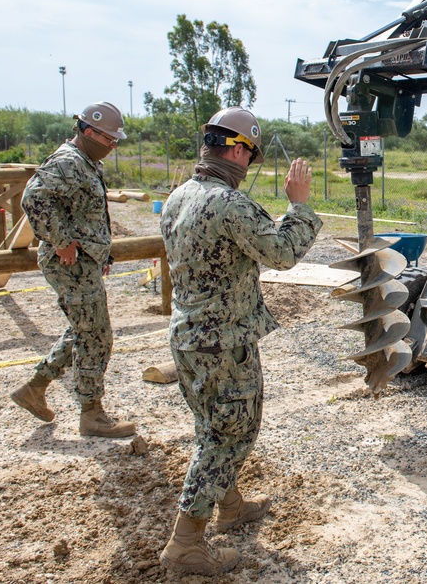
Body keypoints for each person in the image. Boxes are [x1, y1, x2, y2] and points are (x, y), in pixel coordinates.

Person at [158, 107, 322, 576]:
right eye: (251, 154)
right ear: (236, 149)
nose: (249, 165)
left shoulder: (178, 197)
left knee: (212, 426)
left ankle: (229, 506)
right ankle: (186, 542)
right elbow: (283, 252)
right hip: (223, 343)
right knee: (231, 434)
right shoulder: (228, 204)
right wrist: (300, 205)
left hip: (188, 338)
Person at [10, 101, 136, 439]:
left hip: (83, 262)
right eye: (110, 139)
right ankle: (91, 414)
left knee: (83, 329)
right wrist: (62, 241)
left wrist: (100, 255)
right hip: (69, 263)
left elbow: (86, 214)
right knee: (96, 335)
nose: (113, 146)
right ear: (90, 132)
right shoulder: (68, 162)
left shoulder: (85, 161)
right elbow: (34, 198)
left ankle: (34, 388)